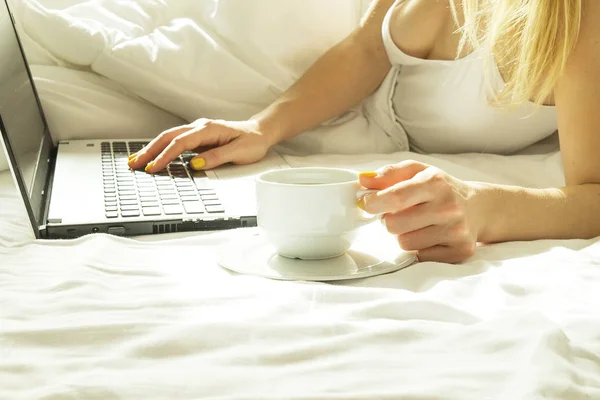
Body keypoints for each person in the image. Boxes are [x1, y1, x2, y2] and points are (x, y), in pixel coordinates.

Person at [127, 0, 600, 263]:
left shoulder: (578, 19)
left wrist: (481, 204)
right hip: (329, 89)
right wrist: (260, 127)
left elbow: (593, 195)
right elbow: (370, 48)